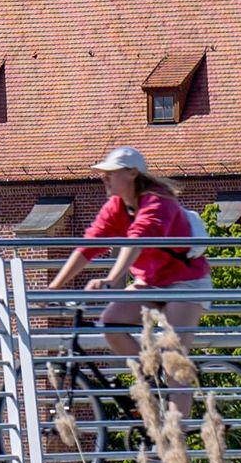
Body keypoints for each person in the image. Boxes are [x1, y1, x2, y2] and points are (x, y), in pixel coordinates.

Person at [46, 145, 209, 383]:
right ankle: (151, 377)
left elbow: (138, 239)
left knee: (175, 363)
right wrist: (54, 286)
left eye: (111, 172)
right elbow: (89, 245)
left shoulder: (158, 201)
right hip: (151, 281)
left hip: (186, 283)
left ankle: (177, 417)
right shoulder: (116, 206)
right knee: (111, 322)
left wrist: (111, 279)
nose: (104, 177)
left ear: (133, 173)